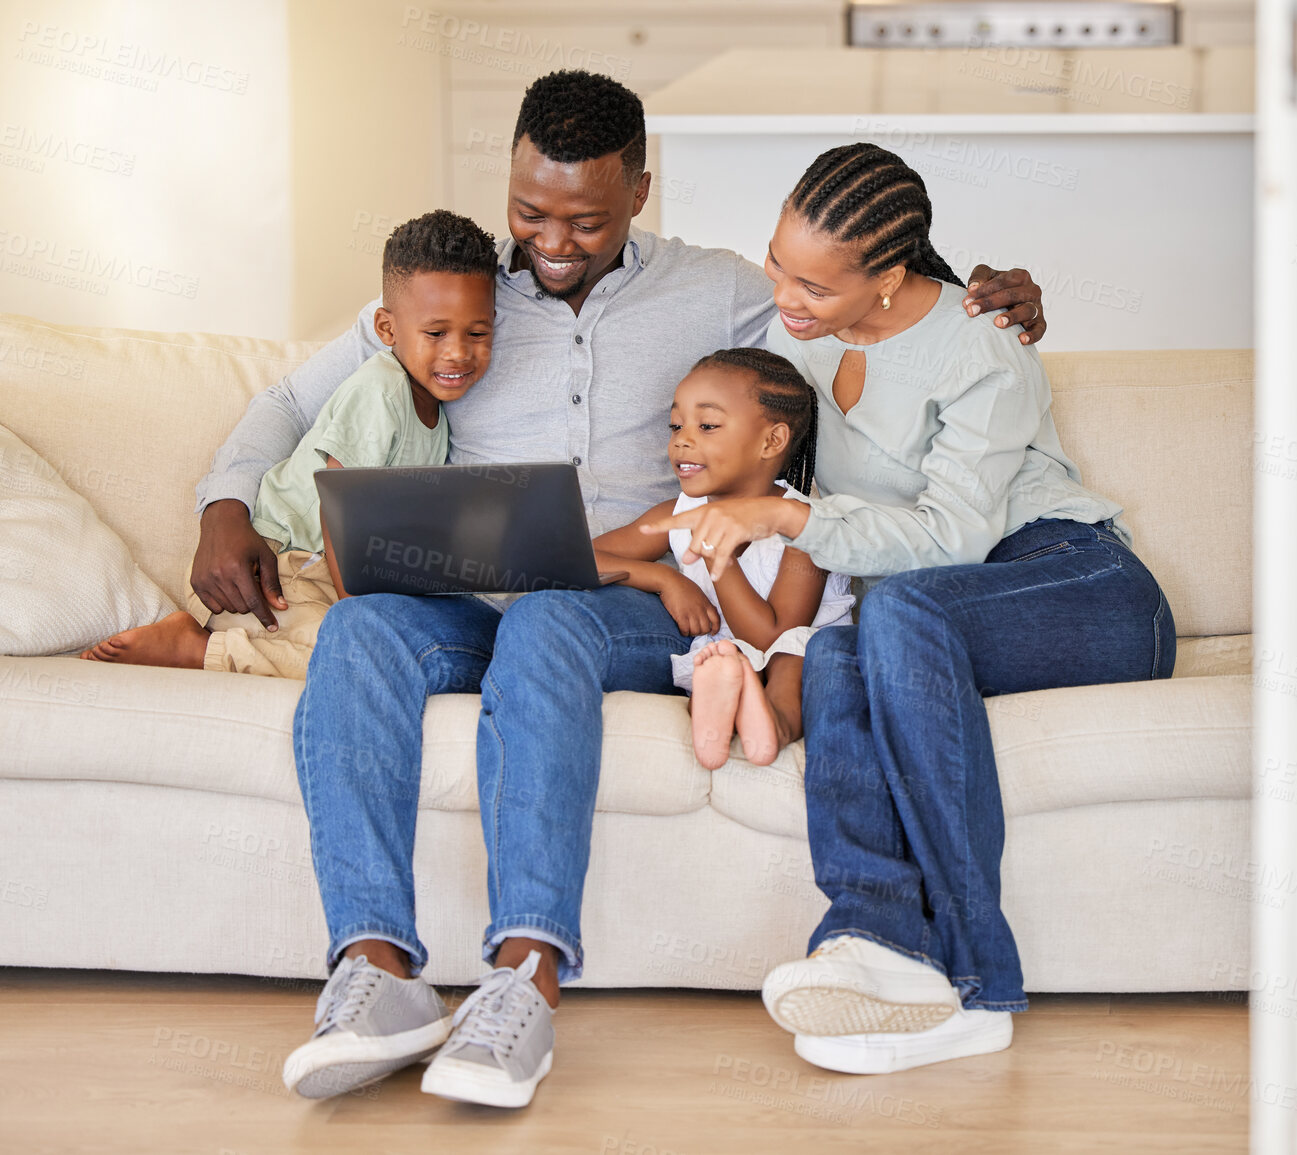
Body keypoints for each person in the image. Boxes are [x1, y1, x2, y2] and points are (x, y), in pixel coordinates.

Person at [190, 70, 1049, 1109]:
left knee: (553, 614)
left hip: (630, 604)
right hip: (471, 597)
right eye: (529, 212)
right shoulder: (452, 296)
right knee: (364, 628)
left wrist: (981, 293)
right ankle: (376, 973)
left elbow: (860, 299)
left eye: (586, 220)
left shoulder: (720, 287)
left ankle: (524, 980)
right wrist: (225, 505)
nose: (550, 241)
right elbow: (288, 399)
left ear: (641, 192)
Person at [643, 142, 1177, 1076]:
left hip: (1074, 584)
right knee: (843, 647)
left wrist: (783, 512)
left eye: (813, 283)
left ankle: (978, 982)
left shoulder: (983, 350)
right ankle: (878, 945)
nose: (787, 297)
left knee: (892, 617)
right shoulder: (797, 346)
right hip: (920, 618)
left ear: (887, 276)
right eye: (777, 265)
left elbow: (953, 539)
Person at [80, 210, 497, 679]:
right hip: (280, 570)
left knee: (389, 656)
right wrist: (360, 609)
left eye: (477, 333)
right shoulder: (381, 391)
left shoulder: (437, 409)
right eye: (436, 333)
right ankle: (193, 647)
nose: (459, 352)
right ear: (386, 328)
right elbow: (341, 509)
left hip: (319, 575)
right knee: (357, 657)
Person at [594, 347, 853, 769]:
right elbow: (579, 557)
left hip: (797, 650)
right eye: (676, 425)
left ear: (772, 440)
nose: (681, 439)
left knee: (791, 658)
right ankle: (719, 715)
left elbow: (771, 636)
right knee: (715, 662)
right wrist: (664, 579)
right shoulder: (675, 517)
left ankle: (776, 725)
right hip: (728, 653)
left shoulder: (806, 526)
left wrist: (720, 556)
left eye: (707, 425)